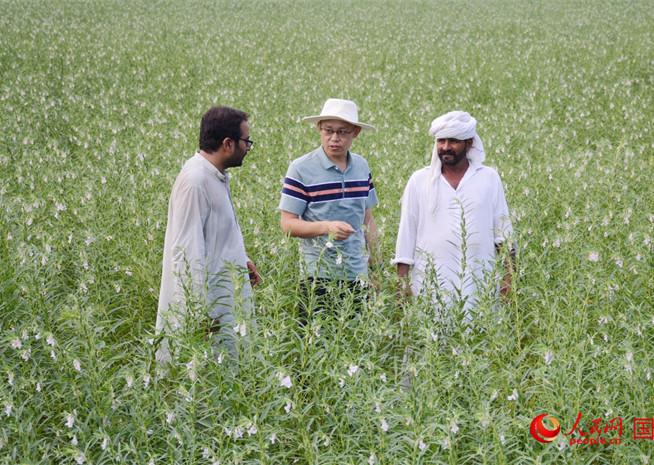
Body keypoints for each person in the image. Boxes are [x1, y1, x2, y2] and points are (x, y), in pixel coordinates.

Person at [155, 106, 261, 364]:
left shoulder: (216, 176)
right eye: (246, 142)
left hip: (226, 296)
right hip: (211, 308)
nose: (248, 148)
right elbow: (187, 252)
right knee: (209, 381)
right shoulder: (196, 181)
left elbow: (216, 233)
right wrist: (200, 315)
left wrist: (241, 260)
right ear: (228, 144)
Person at [393, 111, 514, 328]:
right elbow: (406, 235)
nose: (446, 147)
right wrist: (402, 284)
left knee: (479, 342)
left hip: (480, 283)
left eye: (454, 141)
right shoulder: (420, 180)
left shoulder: (489, 178)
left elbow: (503, 232)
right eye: (441, 140)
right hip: (429, 285)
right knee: (428, 347)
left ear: (469, 143)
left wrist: (509, 278)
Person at [279, 98, 380, 322]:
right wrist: (326, 227)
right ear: (319, 129)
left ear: (356, 133)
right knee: (317, 345)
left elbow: (368, 220)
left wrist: (376, 269)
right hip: (318, 276)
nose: (334, 138)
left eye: (343, 132)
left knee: (355, 346)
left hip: (357, 274)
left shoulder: (362, 167)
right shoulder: (300, 168)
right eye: (328, 130)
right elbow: (287, 224)